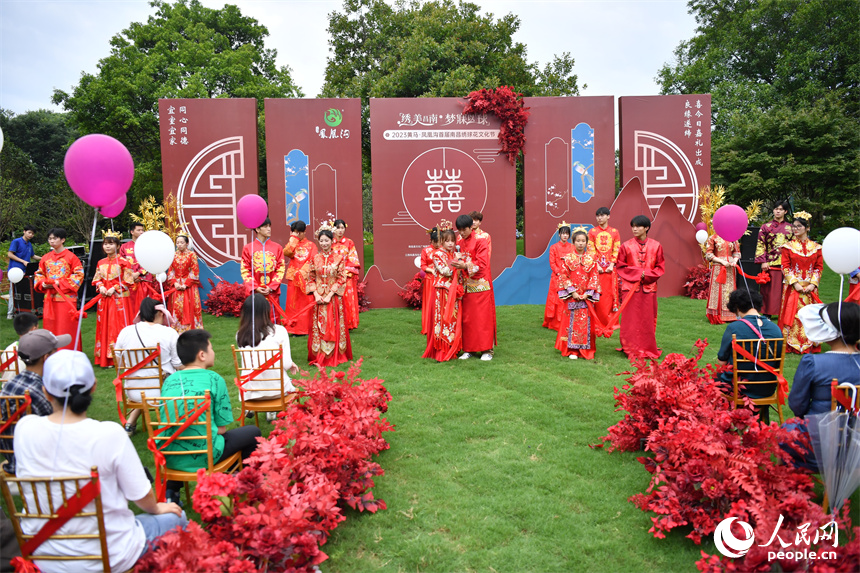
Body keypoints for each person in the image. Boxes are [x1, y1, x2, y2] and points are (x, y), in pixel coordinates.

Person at [14, 350, 186, 572]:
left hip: (43, 553)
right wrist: (158, 508)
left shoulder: (24, 429)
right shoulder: (109, 434)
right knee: (178, 519)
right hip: (111, 554)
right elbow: (141, 496)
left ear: (45, 392)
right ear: (93, 386)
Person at [161, 330, 262, 505]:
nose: (213, 352)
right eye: (211, 348)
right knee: (253, 432)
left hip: (170, 455)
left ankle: (171, 493)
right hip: (205, 455)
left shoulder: (169, 381)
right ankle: (240, 484)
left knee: (181, 434)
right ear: (202, 355)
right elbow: (221, 430)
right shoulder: (215, 379)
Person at [783, 302, 860, 471]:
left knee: (784, 433)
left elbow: (797, 404)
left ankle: (794, 482)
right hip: (855, 443)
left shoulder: (815, 363)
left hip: (818, 443)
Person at [0, 329, 66, 473]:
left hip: (13, 457)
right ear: (46, 358)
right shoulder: (41, 392)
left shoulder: (11, 384)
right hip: (38, 465)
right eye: (56, 353)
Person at [114, 297, 183, 436]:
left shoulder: (125, 332)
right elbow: (178, 364)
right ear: (160, 313)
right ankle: (178, 423)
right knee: (181, 377)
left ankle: (130, 423)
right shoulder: (168, 332)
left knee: (147, 381)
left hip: (133, 389)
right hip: (162, 390)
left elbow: (118, 360)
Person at [715, 289, 783, 422]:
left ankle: (725, 424)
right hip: (767, 387)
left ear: (737, 308)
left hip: (739, 387)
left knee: (713, 380)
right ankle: (762, 420)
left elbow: (721, 363)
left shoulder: (734, 328)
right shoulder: (776, 329)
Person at [235, 294, 300, 420]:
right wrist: (290, 363)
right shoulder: (279, 331)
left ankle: (255, 408)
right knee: (286, 380)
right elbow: (285, 364)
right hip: (277, 391)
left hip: (249, 392)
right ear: (266, 311)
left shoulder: (240, 334)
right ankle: (272, 410)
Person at [616, 215, 665, 359]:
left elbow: (660, 268)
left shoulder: (656, 246)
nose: (635, 229)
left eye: (638, 226)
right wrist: (640, 273)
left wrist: (646, 276)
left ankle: (647, 346)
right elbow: (620, 266)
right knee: (629, 319)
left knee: (647, 319)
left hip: (649, 288)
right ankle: (629, 346)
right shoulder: (626, 246)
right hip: (629, 288)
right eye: (633, 226)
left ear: (646, 228)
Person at [306, 227, 352, 367]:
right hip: (318, 298)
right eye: (321, 241)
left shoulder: (339, 258)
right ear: (318, 242)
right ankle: (320, 354)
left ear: (332, 241)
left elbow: (341, 278)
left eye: (326, 240)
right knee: (319, 325)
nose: (324, 243)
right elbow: (310, 278)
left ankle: (334, 354)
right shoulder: (315, 258)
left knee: (333, 324)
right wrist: (316, 294)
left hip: (333, 299)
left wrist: (330, 294)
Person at [778, 212, 823, 354]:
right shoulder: (788, 247)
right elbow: (785, 266)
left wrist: (812, 284)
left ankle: (809, 343)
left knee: (809, 314)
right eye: (794, 226)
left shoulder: (816, 247)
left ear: (807, 228)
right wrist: (795, 283)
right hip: (793, 287)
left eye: (799, 226)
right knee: (792, 314)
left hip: (810, 288)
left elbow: (818, 267)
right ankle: (791, 343)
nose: (795, 229)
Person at [453, 214, 496, 361]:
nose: (461, 233)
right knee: (468, 319)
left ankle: (487, 350)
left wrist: (465, 265)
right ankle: (469, 349)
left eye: (464, 230)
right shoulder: (459, 241)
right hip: (465, 285)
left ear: (471, 227)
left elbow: (483, 263)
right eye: (459, 230)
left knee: (482, 319)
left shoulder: (481, 240)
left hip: (480, 285)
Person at [34, 228, 84, 351]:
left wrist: (58, 283)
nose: (52, 241)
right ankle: (51, 352)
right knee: (50, 327)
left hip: (66, 299)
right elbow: (39, 274)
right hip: (50, 298)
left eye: (55, 238)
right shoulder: (45, 258)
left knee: (66, 327)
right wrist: (43, 283)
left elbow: (79, 274)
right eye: (50, 238)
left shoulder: (71, 257)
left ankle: (69, 351)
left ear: (63, 240)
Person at [555, 230, 600, 360]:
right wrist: (572, 291)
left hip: (587, 297)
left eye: (583, 241)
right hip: (572, 297)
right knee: (570, 322)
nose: (581, 243)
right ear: (573, 242)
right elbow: (563, 275)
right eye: (578, 241)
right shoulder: (568, 259)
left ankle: (584, 350)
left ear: (586, 243)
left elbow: (595, 277)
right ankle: (572, 350)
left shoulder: (591, 259)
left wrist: (588, 293)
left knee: (586, 322)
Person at [423, 227, 465, 362]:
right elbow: (445, 271)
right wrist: (457, 263)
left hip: (453, 291)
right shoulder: (437, 254)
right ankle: (443, 349)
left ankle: (453, 346)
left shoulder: (453, 254)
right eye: (447, 241)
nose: (451, 244)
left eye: (453, 240)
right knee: (443, 319)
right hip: (442, 291)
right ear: (442, 241)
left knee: (453, 319)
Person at [92, 232, 134, 368]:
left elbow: (129, 280)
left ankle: (119, 356)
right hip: (105, 299)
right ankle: (106, 357)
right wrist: (101, 286)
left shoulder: (124, 262)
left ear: (118, 245)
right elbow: (96, 278)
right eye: (105, 244)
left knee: (118, 326)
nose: (107, 246)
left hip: (119, 299)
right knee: (104, 326)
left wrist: (115, 288)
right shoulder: (100, 262)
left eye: (111, 243)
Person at [240, 218, 285, 324]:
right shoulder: (248, 248)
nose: (269, 229)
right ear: (257, 229)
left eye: (269, 226)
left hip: (271, 292)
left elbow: (281, 268)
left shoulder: (277, 248)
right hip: (255, 292)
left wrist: (272, 286)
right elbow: (245, 270)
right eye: (265, 227)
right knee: (254, 320)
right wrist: (255, 287)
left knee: (273, 320)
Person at [755, 200, 792, 317]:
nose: (778, 211)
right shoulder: (766, 227)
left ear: (785, 211)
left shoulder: (791, 228)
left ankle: (784, 313)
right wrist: (763, 261)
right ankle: (767, 313)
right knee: (769, 291)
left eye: (780, 209)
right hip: (770, 262)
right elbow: (761, 244)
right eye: (776, 209)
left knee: (784, 289)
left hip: (786, 264)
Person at [587, 207, 621, 328]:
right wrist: (596, 264)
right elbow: (590, 249)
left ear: (608, 216)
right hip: (597, 269)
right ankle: (597, 322)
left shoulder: (614, 232)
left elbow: (617, 249)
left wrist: (612, 263)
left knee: (610, 294)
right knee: (598, 294)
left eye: (602, 215)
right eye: (597, 216)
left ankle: (611, 322)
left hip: (610, 269)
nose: (599, 218)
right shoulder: (592, 232)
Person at [283, 220, 317, 335]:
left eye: (299, 232)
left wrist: (302, 273)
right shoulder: (292, 244)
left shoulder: (311, 245)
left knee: (305, 303)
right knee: (292, 304)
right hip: (293, 278)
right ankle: (293, 328)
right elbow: (287, 252)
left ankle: (306, 328)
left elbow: (312, 260)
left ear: (304, 232)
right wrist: (293, 239)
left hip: (305, 279)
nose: (297, 234)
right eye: (294, 232)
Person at [167, 235, 203, 333]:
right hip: (177, 285)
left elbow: (195, 271)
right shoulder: (173, 255)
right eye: (177, 242)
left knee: (190, 306)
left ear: (187, 243)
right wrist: (175, 283)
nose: (179, 244)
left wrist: (186, 284)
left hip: (189, 286)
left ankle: (192, 327)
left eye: (182, 242)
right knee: (177, 307)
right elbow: (171, 271)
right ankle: (176, 327)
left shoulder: (192, 255)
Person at [543, 223, 574, 331]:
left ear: (569, 235)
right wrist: (560, 273)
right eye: (562, 233)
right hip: (557, 277)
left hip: (569, 277)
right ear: (559, 234)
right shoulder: (554, 247)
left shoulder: (573, 247)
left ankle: (567, 320)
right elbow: (552, 263)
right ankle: (554, 322)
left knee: (568, 298)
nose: (564, 236)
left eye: (566, 234)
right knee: (556, 299)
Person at [705, 232, 741, 324]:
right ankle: (717, 313)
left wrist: (734, 261)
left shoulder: (733, 238)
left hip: (730, 268)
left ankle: (730, 313)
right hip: (718, 267)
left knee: (729, 289)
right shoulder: (713, 237)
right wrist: (722, 261)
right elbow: (709, 254)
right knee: (718, 290)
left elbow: (737, 252)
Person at [6, 225, 41, 319]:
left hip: (25, 271)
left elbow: (33, 256)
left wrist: (44, 258)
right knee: (13, 292)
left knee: (23, 292)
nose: (31, 235)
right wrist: (23, 261)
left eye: (32, 234)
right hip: (15, 271)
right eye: (29, 232)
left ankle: (22, 310)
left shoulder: (29, 244)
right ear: (24, 231)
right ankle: (10, 313)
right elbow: (10, 254)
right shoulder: (16, 241)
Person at [121, 222, 157, 313]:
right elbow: (121, 263)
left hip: (144, 281)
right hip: (130, 281)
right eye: (139, 230)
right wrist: (130, 275)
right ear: (132, 232)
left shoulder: (148, 246)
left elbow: (150, 261)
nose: (141, 232)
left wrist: (138, 274)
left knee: (145, 306)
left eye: (142, 230)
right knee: (130, 307)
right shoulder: (124, 247)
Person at [332, 219, 361, 330]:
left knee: (347, 299)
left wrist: (345, 272)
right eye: (338, 228)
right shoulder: (330, 242)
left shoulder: (349, 242)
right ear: (334, 229)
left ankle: (349, 323)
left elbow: (353, 259)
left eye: (342, 228)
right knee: (335, 299)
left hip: (347, 276)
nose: (340, 230)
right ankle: (335, 323)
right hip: (333, 276)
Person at [1, 312, 38, 385]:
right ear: (34, 329)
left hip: (6, 391)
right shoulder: (37, 350)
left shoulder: (8, 349)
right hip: (27, 392)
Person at [420, 227, 440, 335]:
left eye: (439, 241)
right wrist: (431, 270)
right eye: (435, 242)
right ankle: (428, 327)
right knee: (429, 302)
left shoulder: (443, 250)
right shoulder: (426, 250)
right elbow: (423, 265)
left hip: (441, 278)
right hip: (430, 279)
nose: (437, 244)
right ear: (431, 241)